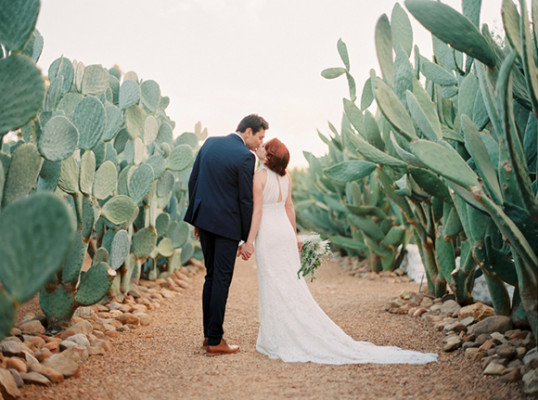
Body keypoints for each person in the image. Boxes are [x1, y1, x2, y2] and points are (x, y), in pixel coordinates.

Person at [239, 138, 438, 364]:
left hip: (269, 234)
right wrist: (294, 235)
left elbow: (257, 213)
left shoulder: (259, 177)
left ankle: (272, 339)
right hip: (284, 232)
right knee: (291, 283)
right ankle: (277, 335)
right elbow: (289, 207)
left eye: (265, 146)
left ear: (269, 155)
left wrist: (249, 241)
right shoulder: (286, 177)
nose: (261, 147)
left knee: (272, 283)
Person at [184, 114, 268, 356]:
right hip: (226, 227)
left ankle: (208, 335)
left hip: (204, 220)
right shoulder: (245, 157)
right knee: (221, 280)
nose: (260, 143)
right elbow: (245, 199)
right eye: (260, 137)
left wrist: (196, 218)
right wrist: (245, 238)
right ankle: (215, 341)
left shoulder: (209, 142)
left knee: (211, 278)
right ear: (248, 131)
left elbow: (194, 181)